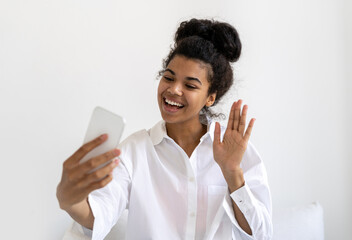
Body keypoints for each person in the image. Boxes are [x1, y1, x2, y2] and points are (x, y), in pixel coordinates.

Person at [57, 18, 273, 240]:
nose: (174, 90)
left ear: (210, 97)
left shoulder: (235, 150)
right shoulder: (135, 151)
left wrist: (232, 174)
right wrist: (71, 201)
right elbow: (101, 212)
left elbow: (261, 234)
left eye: (190, 85)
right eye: (168, 77)